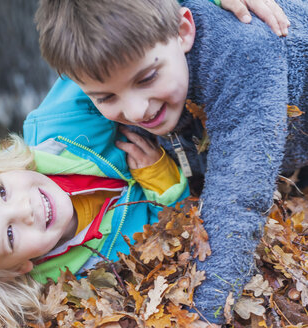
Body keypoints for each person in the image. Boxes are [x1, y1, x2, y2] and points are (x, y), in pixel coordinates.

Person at [34, 0, 308, 323]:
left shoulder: (241, 53)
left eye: (147, 78)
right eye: (106, 97)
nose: (136, 112)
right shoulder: (123, 57)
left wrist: (203, 316)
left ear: (183, 31)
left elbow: (238, 201)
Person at [0, 105, 189, 327]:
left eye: (2, 192)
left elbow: (91, 66)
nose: (24, 209)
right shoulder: (95, 273)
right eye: (10, 235)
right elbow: (172, 237)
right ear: (16, 269)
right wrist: (161, 180)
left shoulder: (59, 126)